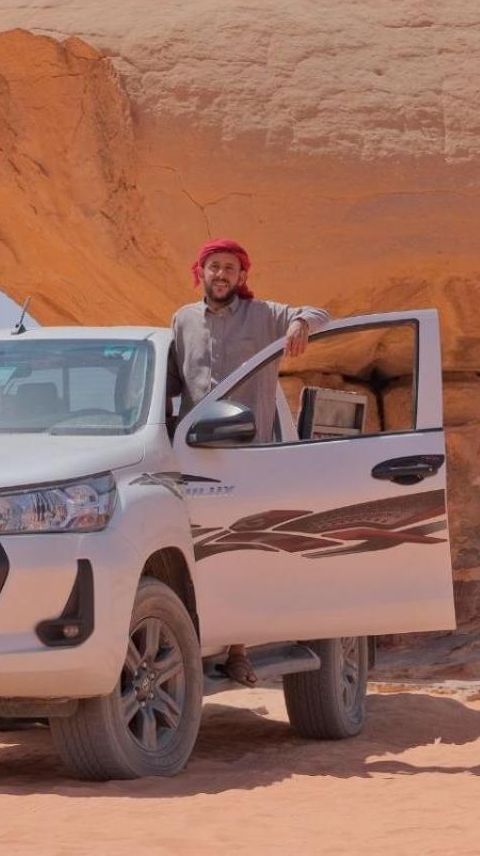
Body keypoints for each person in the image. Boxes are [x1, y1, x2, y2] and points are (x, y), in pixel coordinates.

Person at [167, 237, 329, 685]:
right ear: (200, 271)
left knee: (241, 550)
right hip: (196, 453)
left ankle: (238, 651)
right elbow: (173, 384)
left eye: (230, 269)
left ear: (242, 277)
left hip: (249, 453)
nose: (222, 275)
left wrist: (299, 323)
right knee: (198, 553)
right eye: (214, 267)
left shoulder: (262, 316)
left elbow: (320, 312)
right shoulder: (182, 320)